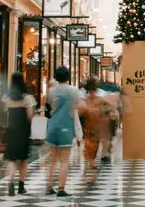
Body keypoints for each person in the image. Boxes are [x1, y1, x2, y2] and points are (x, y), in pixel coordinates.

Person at [45, 66, 79, 197]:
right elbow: (76, 106)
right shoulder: (73, 90)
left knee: (52, 159)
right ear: (68, 77)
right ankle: (61, 189)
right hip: (66, 125)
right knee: (64, 160)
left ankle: (49, 186)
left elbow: (49, 105)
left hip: (52, 125)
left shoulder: (51, 91)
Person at [2, 72, 35, 196]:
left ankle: (10, 183)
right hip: (23, 131)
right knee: (23, 160)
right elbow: (30, 115)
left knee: (12, 159)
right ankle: (21, 186)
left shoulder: (7, 97)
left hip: (12, 131)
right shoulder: (27, 98)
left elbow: (5, 111)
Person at [77, 77, 110, 186]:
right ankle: (92, 163)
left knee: (91, 143)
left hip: (90, 124)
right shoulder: (97, 96)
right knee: (92, 143)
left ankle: (91, 162)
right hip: (92, 124)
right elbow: (107, 106)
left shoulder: (85, 97)